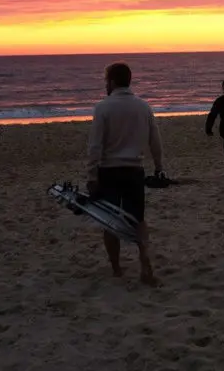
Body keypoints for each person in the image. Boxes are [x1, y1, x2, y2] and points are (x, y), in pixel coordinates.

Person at [86, 62, 164, 287]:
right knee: (138, 219)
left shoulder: (103, 107)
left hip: (109, 171)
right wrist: (159, 167)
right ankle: (144, 260)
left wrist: (91, 176)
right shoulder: (143, 106)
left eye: (105, 80)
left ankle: (117, 268)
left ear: (111, 81)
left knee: (109, 220)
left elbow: (95, 146)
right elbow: (155, 140)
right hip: (134, 171)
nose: (105, 84)